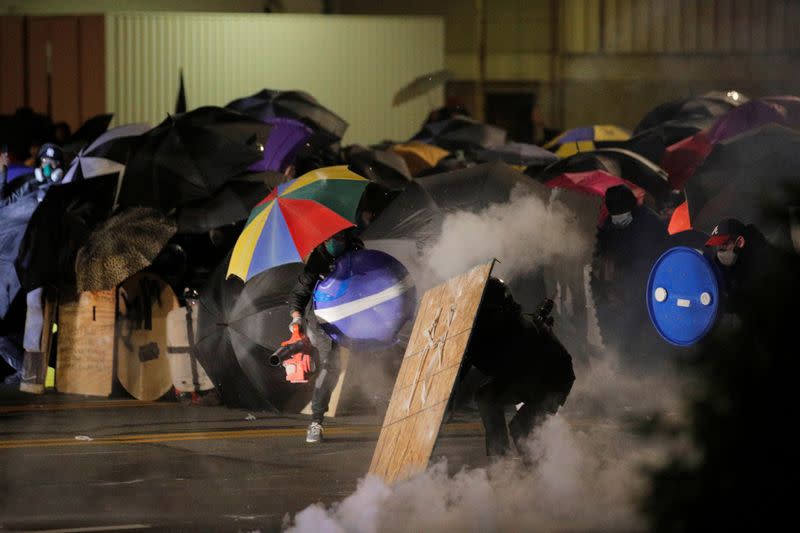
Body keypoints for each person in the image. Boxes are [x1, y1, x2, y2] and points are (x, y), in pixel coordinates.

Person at [465, 277, 575, 457]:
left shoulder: (516, 328)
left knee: (522, 428)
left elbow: (505, 367)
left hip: (553, 380)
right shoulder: (498, 324)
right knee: (486, 398)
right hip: (529, 376)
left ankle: (536, 475)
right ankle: (500, 462)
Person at [288, 229, 364, 443]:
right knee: (330, 365)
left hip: (354, 313)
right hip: (324, 321)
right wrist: (296, 317)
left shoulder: (356, 250)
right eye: (330, 239)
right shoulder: (318, 258)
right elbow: (299, 293)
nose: (334, 242)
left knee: (374, 358)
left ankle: (390, 413)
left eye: (339, 238)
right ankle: (316, 421)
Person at [592, 184, 667, 363]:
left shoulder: (650, 222)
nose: (617, 217)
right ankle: (621, 358)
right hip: (620, 289)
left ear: (631, 207)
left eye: (621, 211)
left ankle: (640, 361)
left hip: (647, 286)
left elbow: (652, 257)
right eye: (614, 212)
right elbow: (605, 243)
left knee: (638, 326)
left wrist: (624, 270)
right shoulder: (611, 223)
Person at [704, 217, 782, 318]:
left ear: (740, 242)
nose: (719, 252)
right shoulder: (724, 264)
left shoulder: (766, 262)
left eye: (723, 245)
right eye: (717, 246)